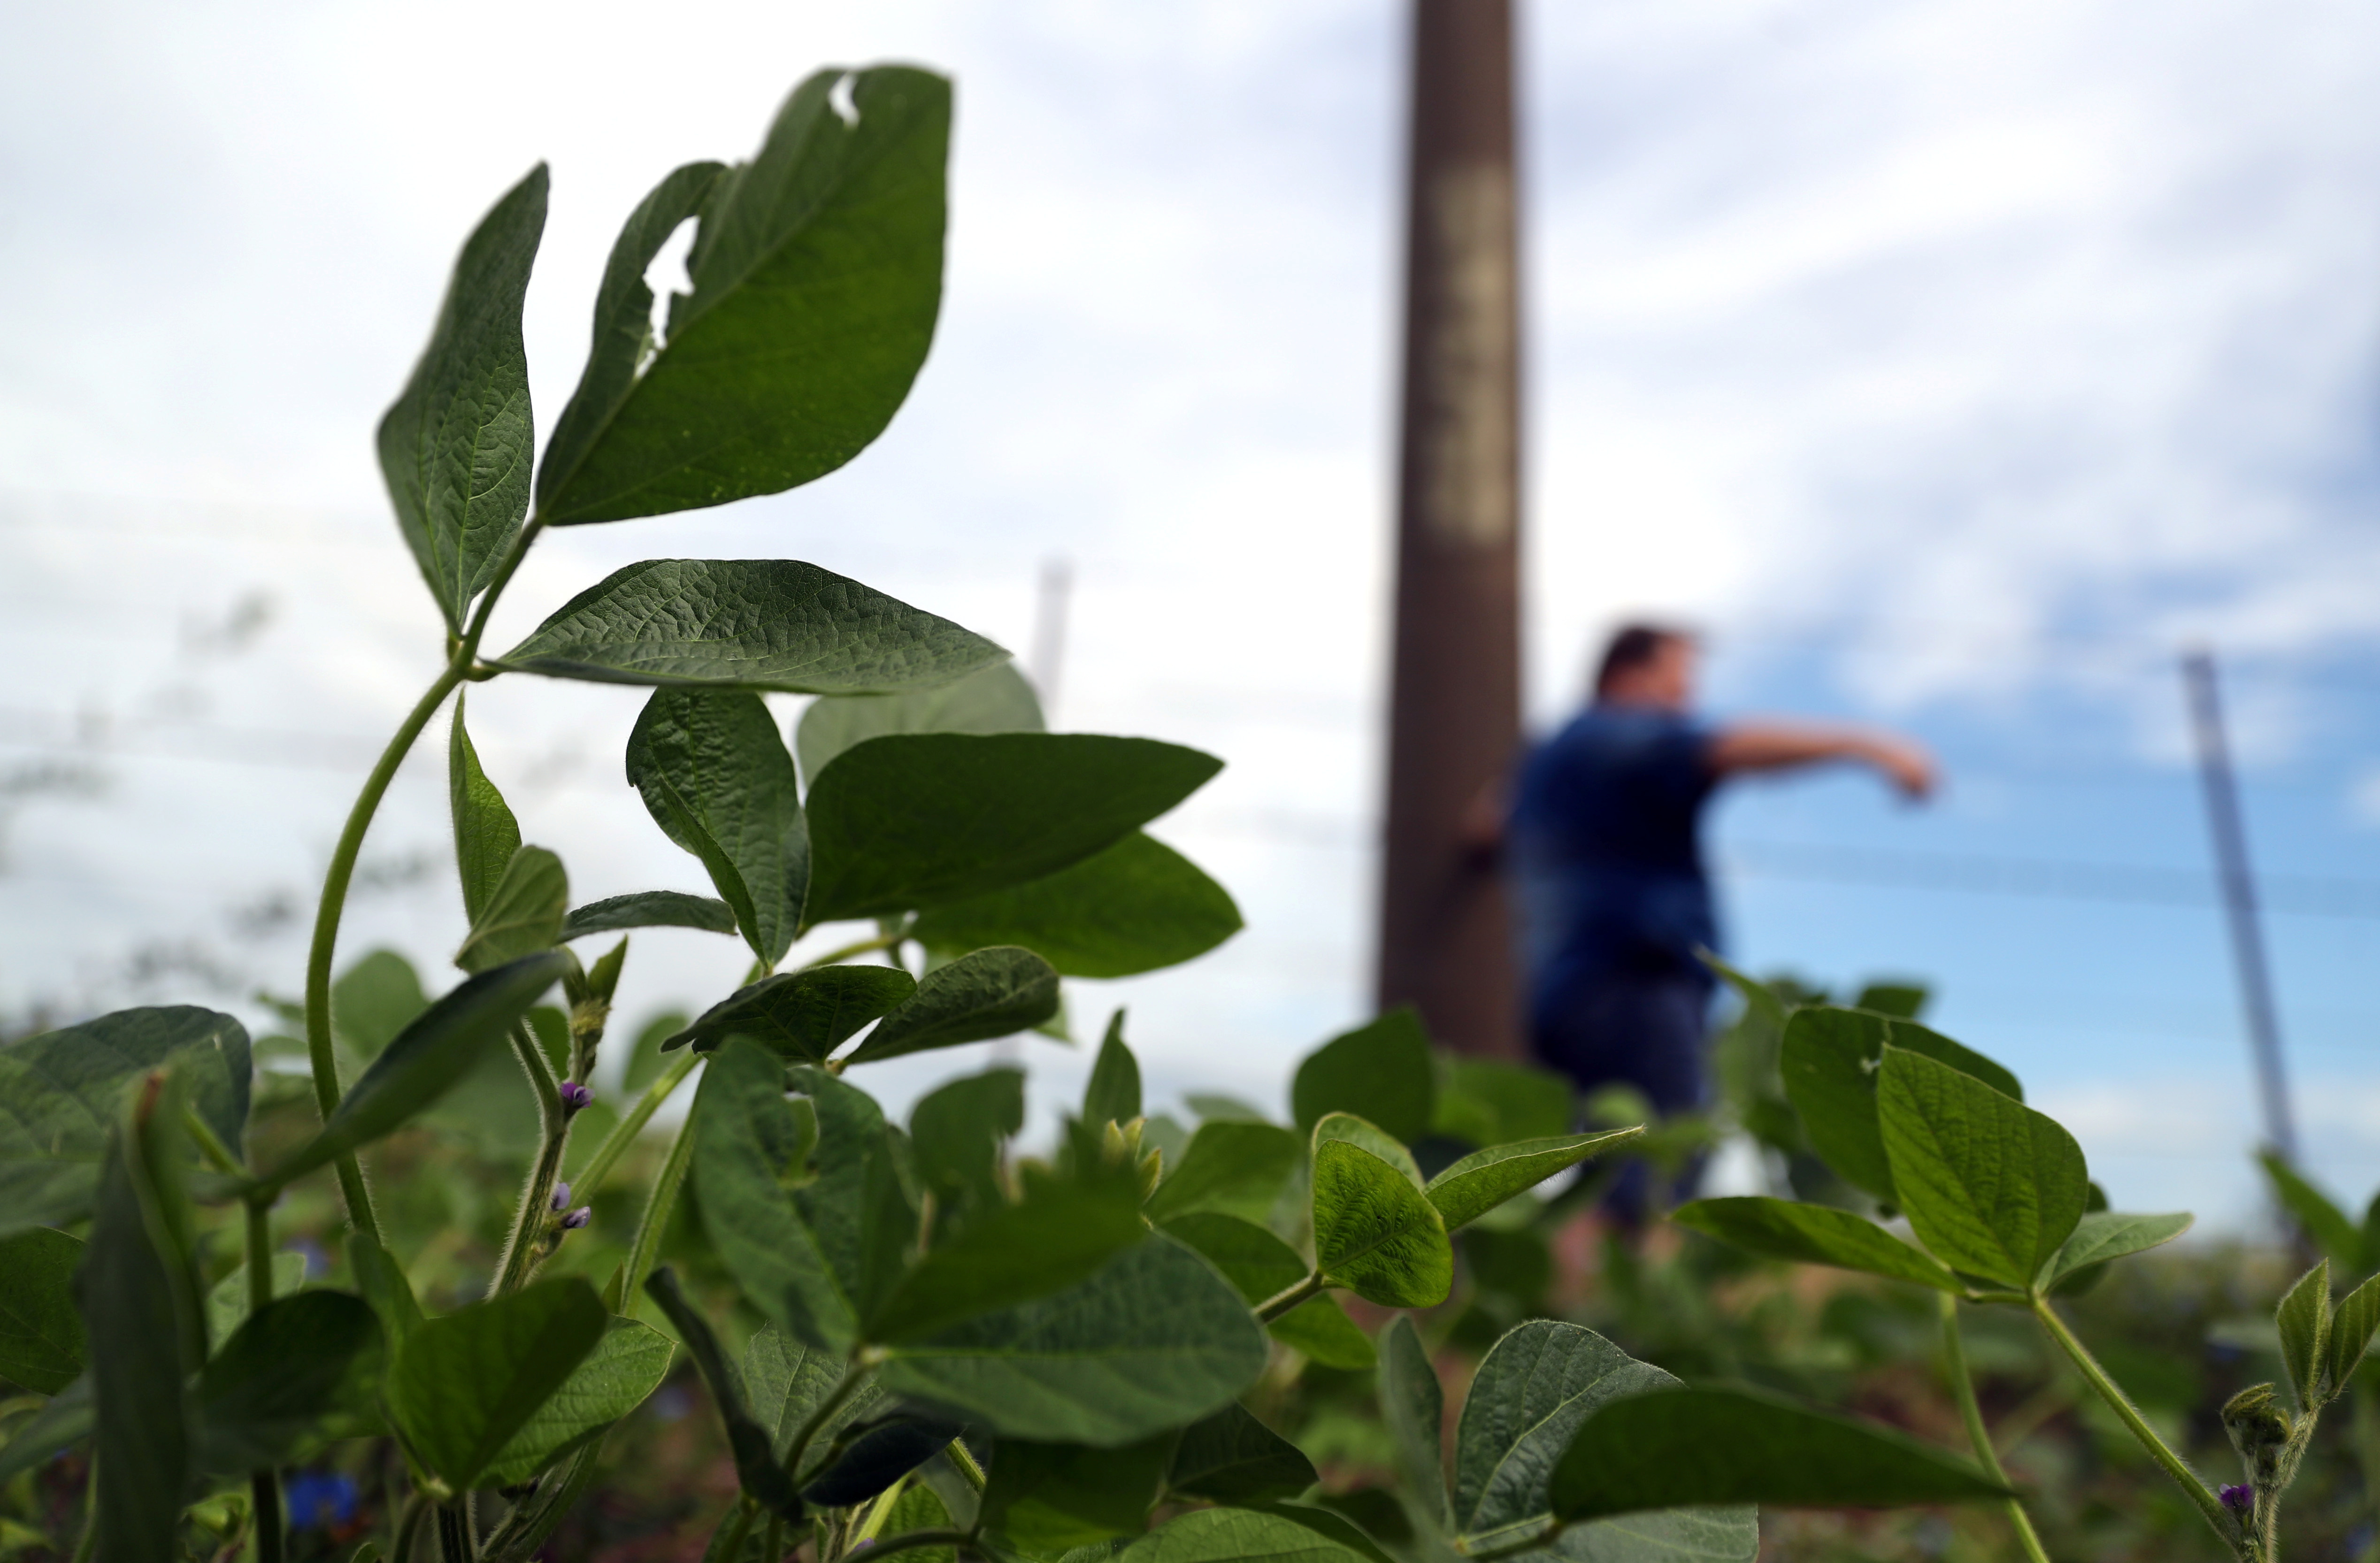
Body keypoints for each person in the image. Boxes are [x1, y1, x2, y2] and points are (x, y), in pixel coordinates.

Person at [1502, 623, 1936, 1211]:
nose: (1688, 699)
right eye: (1679, 677)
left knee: (1605, 1172)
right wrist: (1872, 747)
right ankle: (1613, 1297)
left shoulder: (1545, 762)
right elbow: (1719, 748)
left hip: (1562, 992)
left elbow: (1484, 826)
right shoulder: (1616, 733)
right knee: (1659, 1170)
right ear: (1631, 673)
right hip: (1633, 980)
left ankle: (1576, 1291)